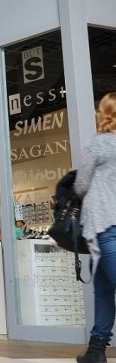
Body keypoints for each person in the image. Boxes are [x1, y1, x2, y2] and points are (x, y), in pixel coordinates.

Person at [73, 92, 116, 363]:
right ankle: (95, 350)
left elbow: (81, 185)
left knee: (108, 288)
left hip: (106, 225)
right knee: (103, 290)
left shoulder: (100, 143)